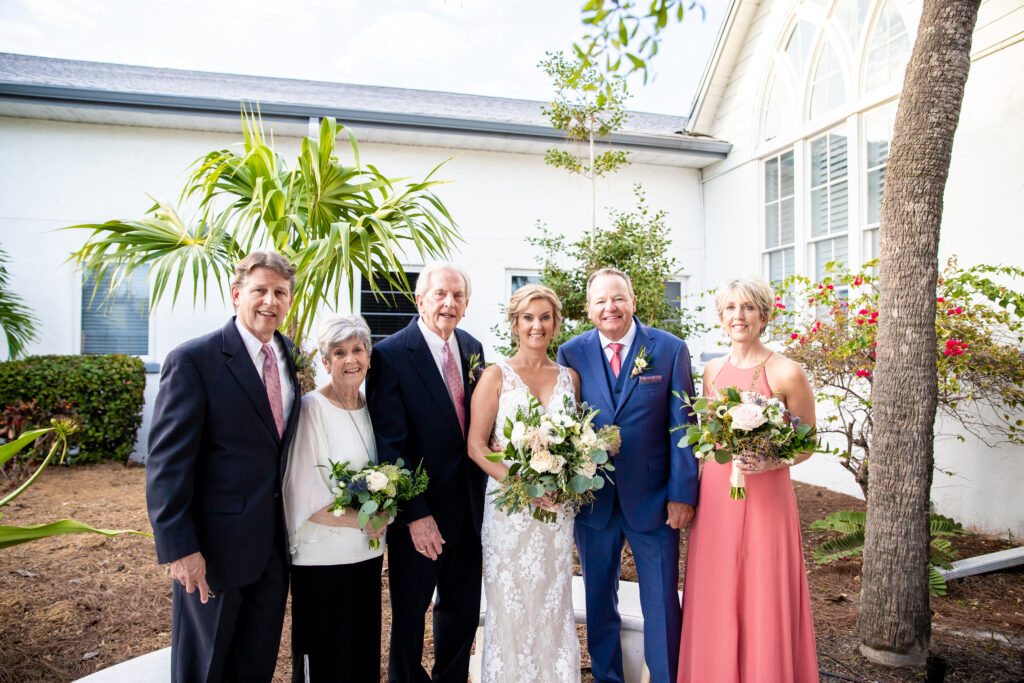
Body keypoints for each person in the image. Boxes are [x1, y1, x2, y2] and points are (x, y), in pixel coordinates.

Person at [146, 250, 301, 682]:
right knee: (205, 668)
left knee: (256, 663)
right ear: (236, 295)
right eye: (260, 291)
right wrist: (180, 549)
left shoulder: (289, 355)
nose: (270, 301)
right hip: (214, 553)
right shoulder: (195, 360)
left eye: (280, 292)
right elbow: (166, 464)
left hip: (274, 549)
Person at [557, 267, 699, 683]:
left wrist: (682, 493)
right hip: (593, 500)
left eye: (617, 298)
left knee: (660, 602)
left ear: (633, 302)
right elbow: (567, 424)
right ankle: (608, 677)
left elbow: (684, 428)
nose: (610, 308)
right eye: (600, 301)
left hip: (654, 498)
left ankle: (665, 677)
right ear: (588, 309)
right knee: (599, 598)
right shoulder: (571, 352)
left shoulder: (670, 350)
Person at [677, 276, 819, 683]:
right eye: (730, 308)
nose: (738, 316)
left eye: (748, 308)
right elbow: (706, 435)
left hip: (767, 496)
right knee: (716, 586)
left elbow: (807, 443)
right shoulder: (712, 370)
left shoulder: (787, 371)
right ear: (721, 317)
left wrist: (770, 462)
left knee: (763, 586)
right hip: (719, 493)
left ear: (763, 315)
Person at [366, 261, 487, 683]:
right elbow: (390, 446)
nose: (448, 303)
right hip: (420, 515)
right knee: (409, 620)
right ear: (420, 299)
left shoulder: (473, 348)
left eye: (457, 296)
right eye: (440, 294)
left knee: (462, 613)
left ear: (467, 304)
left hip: (469, 512)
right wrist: (415, 514)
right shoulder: (389, 355)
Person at [467, 284, 582, 682]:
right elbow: (477, 447)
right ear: (515, 324)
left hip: (556, 510)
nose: (537, 326)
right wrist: (523, 487)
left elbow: (578, 445)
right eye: (528, 318)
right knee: (511, 606)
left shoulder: (570, 378)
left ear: (556, 323)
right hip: (511, 511)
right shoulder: (496, 376)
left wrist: (566, 484)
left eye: (545, 317)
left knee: (552, 601)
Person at [282, 314, 389, 682]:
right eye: (339, 352)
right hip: (321, 560)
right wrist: (368, 519)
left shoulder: (372, 408)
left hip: (366, 555)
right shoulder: (312, 408)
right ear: (325, 362)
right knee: (326, 659)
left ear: (369, 357)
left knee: (360, 656)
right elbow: (303, 493)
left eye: (358, 350)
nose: (350, 359)